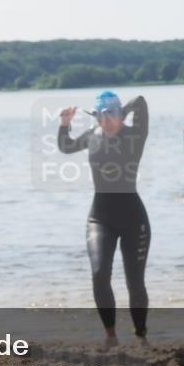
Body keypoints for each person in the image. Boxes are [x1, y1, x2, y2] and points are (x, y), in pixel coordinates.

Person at [58, 90, 149, 348]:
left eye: (110, 115)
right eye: (99, 115)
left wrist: (120, 111)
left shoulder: (135, 135)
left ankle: (140, 333)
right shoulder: (93, 136)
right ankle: (111, 336)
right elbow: (66, 147)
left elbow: (140, 102)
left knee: (135, 282)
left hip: (133, 218)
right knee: (99, 274)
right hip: (100, 218)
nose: (104, 121)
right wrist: (64, 125)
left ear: (120, 115)